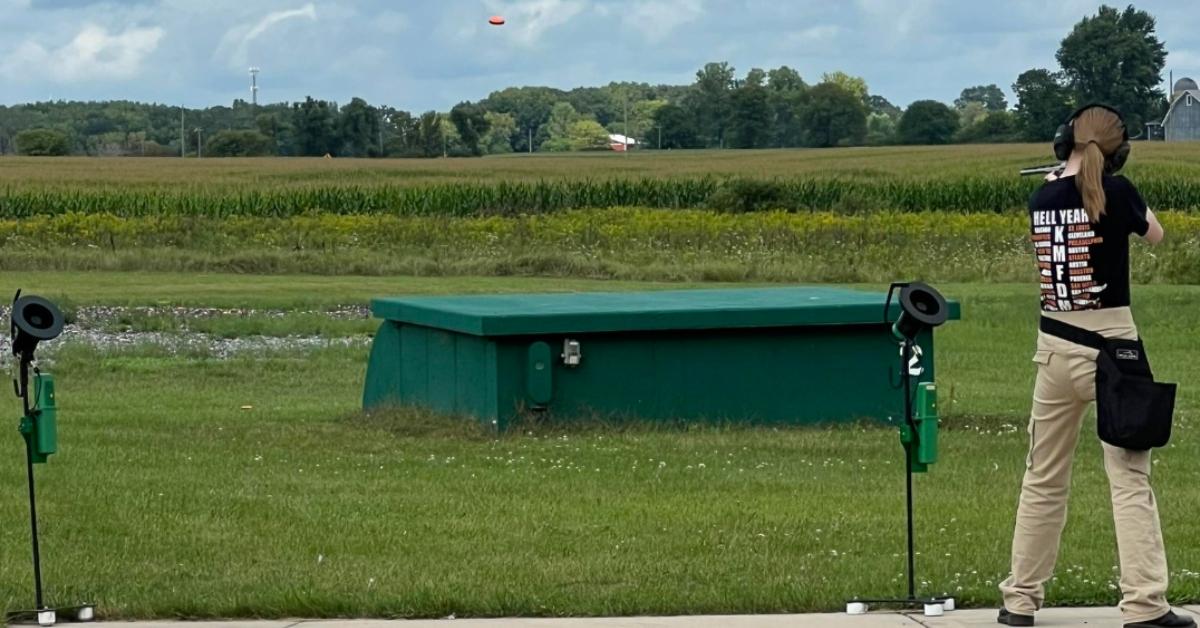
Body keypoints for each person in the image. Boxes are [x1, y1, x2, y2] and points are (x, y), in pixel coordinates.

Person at [997, 105, 1193, 628]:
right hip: (1114, 352)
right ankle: (1145, 604)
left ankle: (1019, 599)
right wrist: (1115, 185)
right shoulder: (1119, 192)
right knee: (1129, 480)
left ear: (1064, 145)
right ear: (1115, 152)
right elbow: (1156, 235)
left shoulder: (1040, 197)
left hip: (1054, 349)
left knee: (1042, 478)